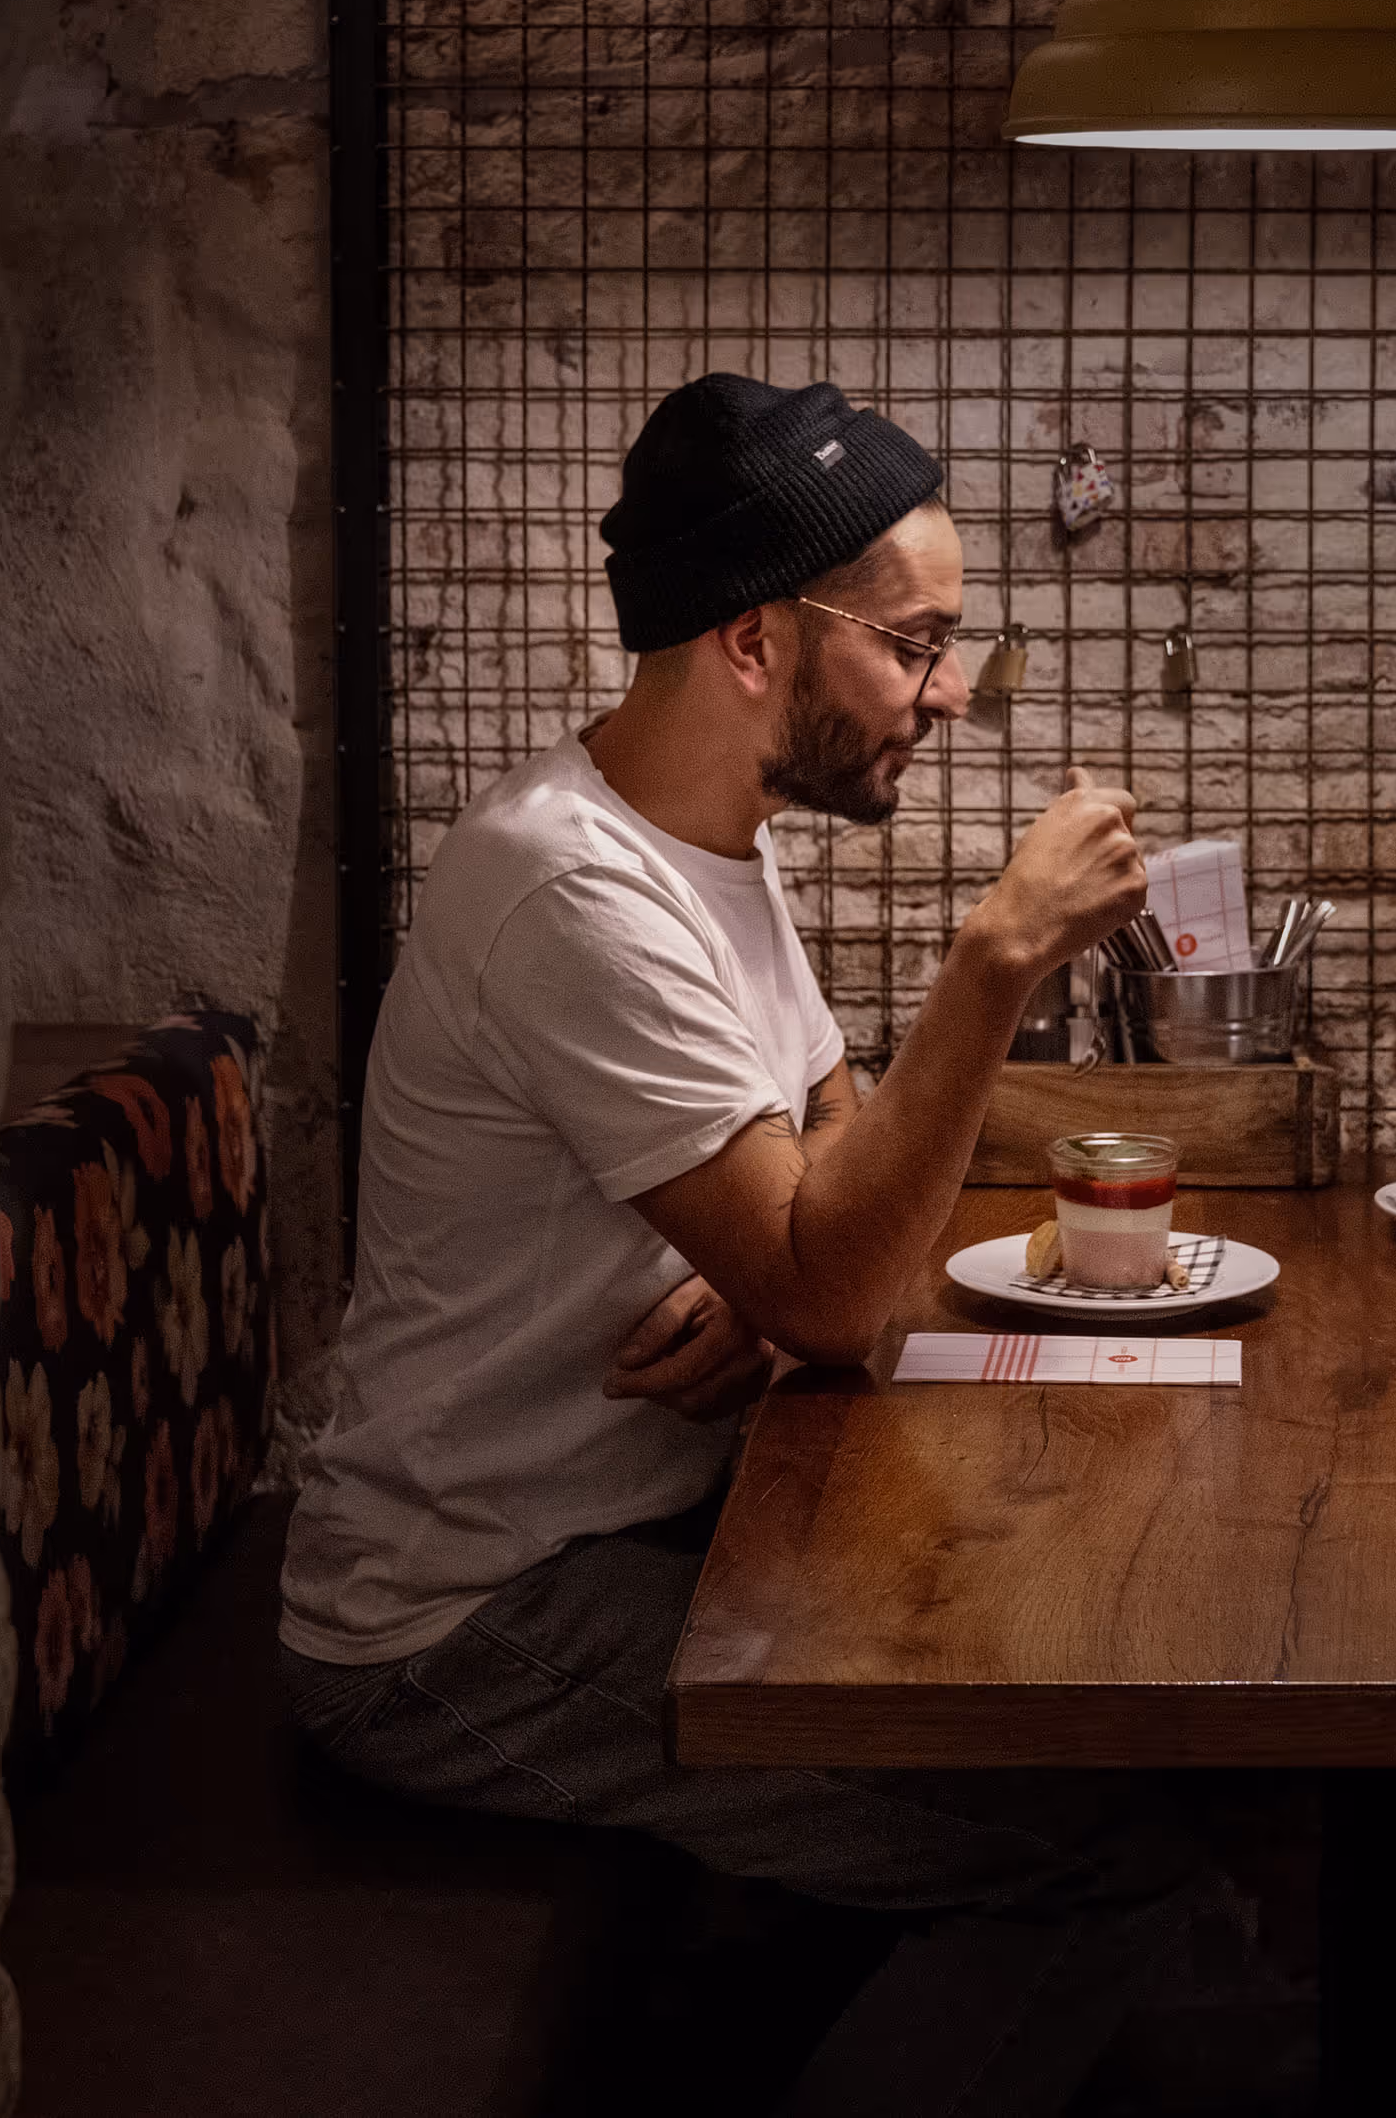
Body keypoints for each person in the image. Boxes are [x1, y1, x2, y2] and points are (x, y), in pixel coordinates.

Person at [279, 372, 1196, 2118]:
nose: (950, 693)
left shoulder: (712, 842)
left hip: (656, 1524)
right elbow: (851, 1274)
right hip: (461, 1616)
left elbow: (838, 1179)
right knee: (1109, 1851)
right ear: (755, 640)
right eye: (915, 646)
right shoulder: (573, 889)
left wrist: (781, 1294)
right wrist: (997, 957)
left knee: (1078, 1693)